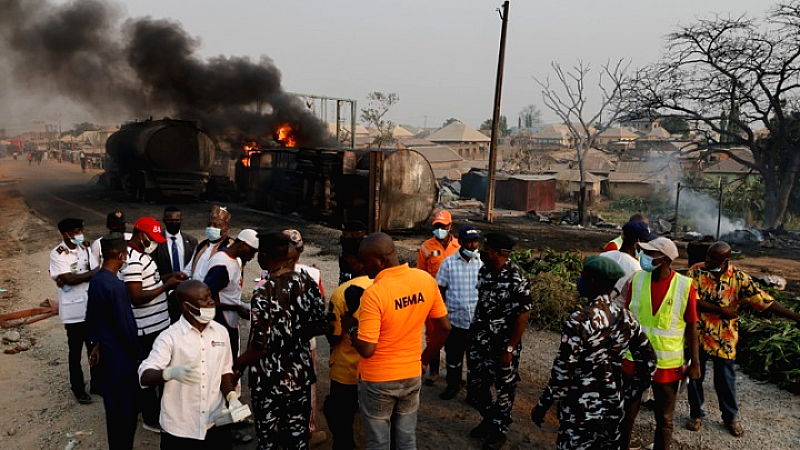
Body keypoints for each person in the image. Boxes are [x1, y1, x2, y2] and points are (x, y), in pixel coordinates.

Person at [531, 256, 657, 450]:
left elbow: (563, 372)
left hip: (579, 411)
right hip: (612, 408)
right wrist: (629, 394)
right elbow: (648, 360)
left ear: (592, 281)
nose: (579, 281)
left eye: (583, 276)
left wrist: (543, 405)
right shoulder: (626, 318)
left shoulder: (579, 321)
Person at [685, 241, 800, 437]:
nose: (707, 260)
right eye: (707, 256)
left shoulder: (738, 278)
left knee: (726, 380)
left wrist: (795, 316)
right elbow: (690, 301)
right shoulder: (696, 272)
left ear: (725, 260)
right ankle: (696, 414)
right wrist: (720, 310)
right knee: (696, 376)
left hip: (725, 338)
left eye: (712, 258)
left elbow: (763, 300)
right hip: (698, 334)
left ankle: (729, 417)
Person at [349, 232, 450, 450]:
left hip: (378, 381)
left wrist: (351, 329)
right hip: (412, 375)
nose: (362, 266)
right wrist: (424, 360)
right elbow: (444, 328)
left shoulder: (374, 294)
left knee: (378, 442)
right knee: (406, 440)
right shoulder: (425, 280)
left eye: (365, 261)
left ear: (380, 261)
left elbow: (367, 348)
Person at [234, 231, 329, 450]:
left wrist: (237, 365)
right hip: (299, 376)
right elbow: (322, 324)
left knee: (269, 440)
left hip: (269, 380)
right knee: (297, 438)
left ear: (264, 256)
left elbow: (260, 344)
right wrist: (296, 335)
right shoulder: (306, 281)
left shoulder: (264, 291)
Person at [619, 237, 701, 450]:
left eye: (650, 253)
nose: (644, 256)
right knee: (627, 413)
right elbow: (626, 318)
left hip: (667, 366)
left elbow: (692, 326)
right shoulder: (637, 280)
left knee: (664, 419)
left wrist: (695, 363)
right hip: (634, 360)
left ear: (664, 259)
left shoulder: (684, 286)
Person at [139, 280, 240, 449]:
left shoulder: (221, 332)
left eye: (210, 296)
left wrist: (232, 397)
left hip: (216, 421)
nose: (211, 302)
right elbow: (144, 375)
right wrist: (168, 373)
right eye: (204, 299)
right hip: (180, 427)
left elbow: (224, 370)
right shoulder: (169, 338)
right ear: (186, 306)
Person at [466, 233, 531, 450]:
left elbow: (523, 314)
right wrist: (472, 331)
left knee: (504, 389)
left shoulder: (516, 277)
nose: (484, 252)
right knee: (475, 387)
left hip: (503, 345)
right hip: (480, 340)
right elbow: (481, 302)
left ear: (502, 254)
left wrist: (510, 348)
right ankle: (490, 419)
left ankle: (498, 431)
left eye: (489, 249)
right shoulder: (484, 271)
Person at [121, 217, 185, 432]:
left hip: (158, 323)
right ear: (141, 234)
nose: (154, 242)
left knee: (160, 368)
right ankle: (150, 418)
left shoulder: (141, 255)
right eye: (152, 238)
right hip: (146, 327)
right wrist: (167, 285)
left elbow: (151, 280)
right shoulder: (132, 260)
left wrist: (168, 277)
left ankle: (158, 410)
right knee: (148, 372)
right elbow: (136, 296)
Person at [86, 235, 141, 450]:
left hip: (106, 354)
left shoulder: (98, 280)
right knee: (125, 414)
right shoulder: (116, 287)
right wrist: (138, 355)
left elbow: (92, 317)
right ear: (121, 255)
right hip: (121, 359)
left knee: (113, 409)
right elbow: (126, 327)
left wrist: (96, 344)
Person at [282, 229, 326, 444]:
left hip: (277, 343)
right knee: (307, 388)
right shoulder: (313, 274)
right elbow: (321, 311)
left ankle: (281, 427)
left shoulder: (267, 273)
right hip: (306, 341)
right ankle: (307, 431)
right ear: (301, 250)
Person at [325, 253, 373, 450]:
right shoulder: (384, 287)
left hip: (346, 372)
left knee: (338, 416)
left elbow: (334, 337)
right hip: (375, 370)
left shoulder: (341, 293)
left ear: (354, 261)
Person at [49, 218, 100, 404]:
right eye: (75, 231)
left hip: (90, 307)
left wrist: (78, 277)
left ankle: (97, 384)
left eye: (80, 229)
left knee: (93, 347)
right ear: (65, 234)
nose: (80, 234)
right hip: (73, 311)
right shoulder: (58, 254)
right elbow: (68, 279)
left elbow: (94, 270)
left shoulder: (85, 249)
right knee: (75, 352)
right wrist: (86, 275)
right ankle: (78, 388)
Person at [435, 225, 483, 400]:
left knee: (474, 360)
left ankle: (472, 391)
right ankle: (452, 385)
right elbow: (440, 289)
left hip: (475, 322)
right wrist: (441, 316)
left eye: (475, 241)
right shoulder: (448, 263)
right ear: (461, 242)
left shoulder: (482, 264)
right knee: (453, 357)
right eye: (469, 242)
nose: (473, 245)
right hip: (455, 320)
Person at [417, 209, 459, 385]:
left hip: (455, 297)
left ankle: (453, 374)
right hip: (433, 298)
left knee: (455, 336)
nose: (440, 229)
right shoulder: (426, 247)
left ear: (450, 226)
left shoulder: (460, 246)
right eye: (437, 226)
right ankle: (433, 371)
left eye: (443, 226)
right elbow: (421, 274)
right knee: (433, 335)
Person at [203, 229, 258, 358]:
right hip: (220, 322)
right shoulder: (222, 265)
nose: (252, 257)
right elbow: (206, 299)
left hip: (230, 320)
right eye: (252, 251)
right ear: (243, 244)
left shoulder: (234, 261)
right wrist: (235, 308)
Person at [154, 206, 198, 323]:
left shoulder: (192, 241)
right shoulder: (156, 242)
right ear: (164, 221)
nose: (174, 223)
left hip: (186, 293)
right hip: (164, 294)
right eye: (170, 220)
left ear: (181, 220)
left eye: (176, 220)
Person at [599, 220, 654, 301]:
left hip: (596, 308)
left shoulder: (603, 257)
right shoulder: (636, 269)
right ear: (638, 241)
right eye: (645, 242)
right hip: (618, 311)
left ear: (623, 236)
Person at [189, 205, 234, 282]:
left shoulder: (230, 247)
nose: (211, 228)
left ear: (226, 228)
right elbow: (189, 269)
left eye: (216, 225)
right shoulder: (202, 245)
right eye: (209, 225)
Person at [339, 220, 368, 285]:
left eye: (345, 234)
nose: (344, 237)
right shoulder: (347, 246)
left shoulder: (362, 248)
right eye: (344, 234)